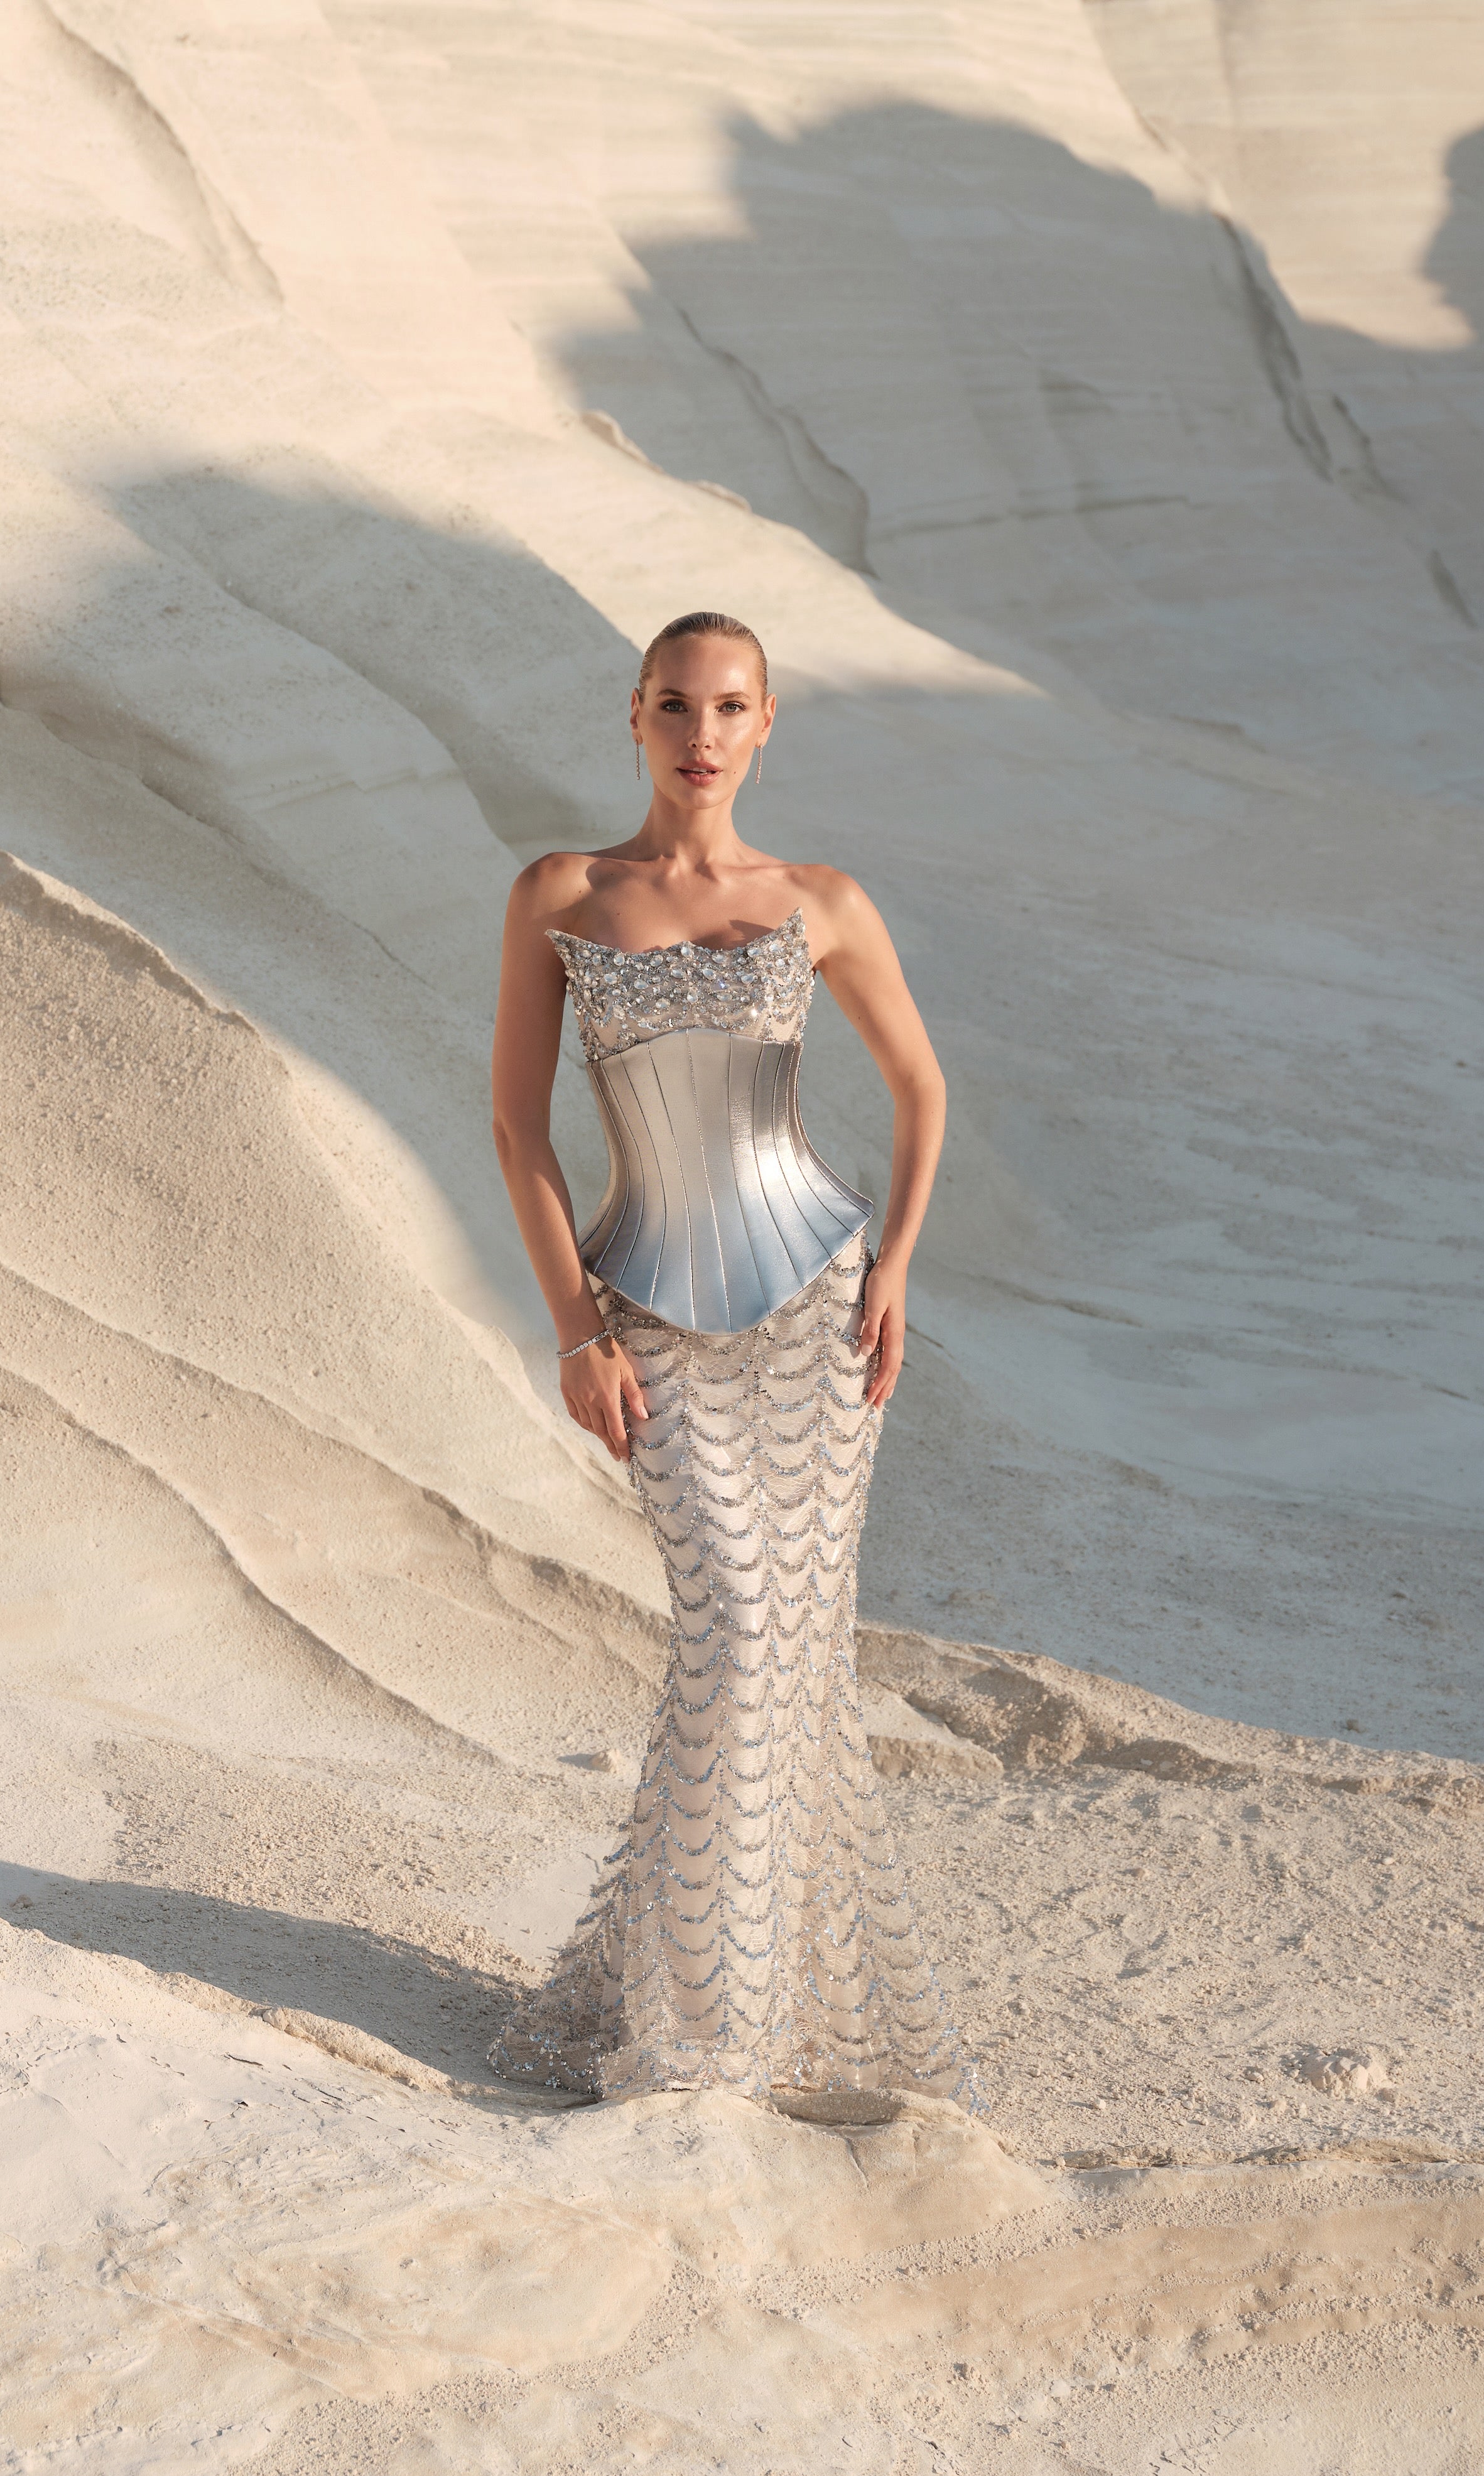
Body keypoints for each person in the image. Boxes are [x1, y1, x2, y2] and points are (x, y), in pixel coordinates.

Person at [485, 611, 977, 2108]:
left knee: (797, 1657)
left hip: (819, 1321)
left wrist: (892, 1261)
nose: (702, 732)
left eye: (731, 707)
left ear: (769, 726)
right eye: (675, 704)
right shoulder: (562, 892)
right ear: (632, 718)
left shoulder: (818, 900)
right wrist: (575, 1325)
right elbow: (519, 1128)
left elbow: (919, 1084)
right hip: (650, 1320)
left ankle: (757, 2017)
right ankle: (695, 2024)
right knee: (738, 1631)